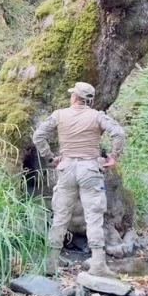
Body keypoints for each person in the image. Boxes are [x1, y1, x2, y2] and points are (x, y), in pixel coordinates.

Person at [32, 82, 126, 278]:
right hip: (90, 169)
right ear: (89, 100)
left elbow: (38, 135)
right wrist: (113, 156)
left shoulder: (59, 115)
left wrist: (50, 157)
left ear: (74, 97)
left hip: (66, 169)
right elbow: (119, 133)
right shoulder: (98, 116)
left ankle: (50, 263)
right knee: (93, 217)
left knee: (60, 216)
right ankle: (98, 264)